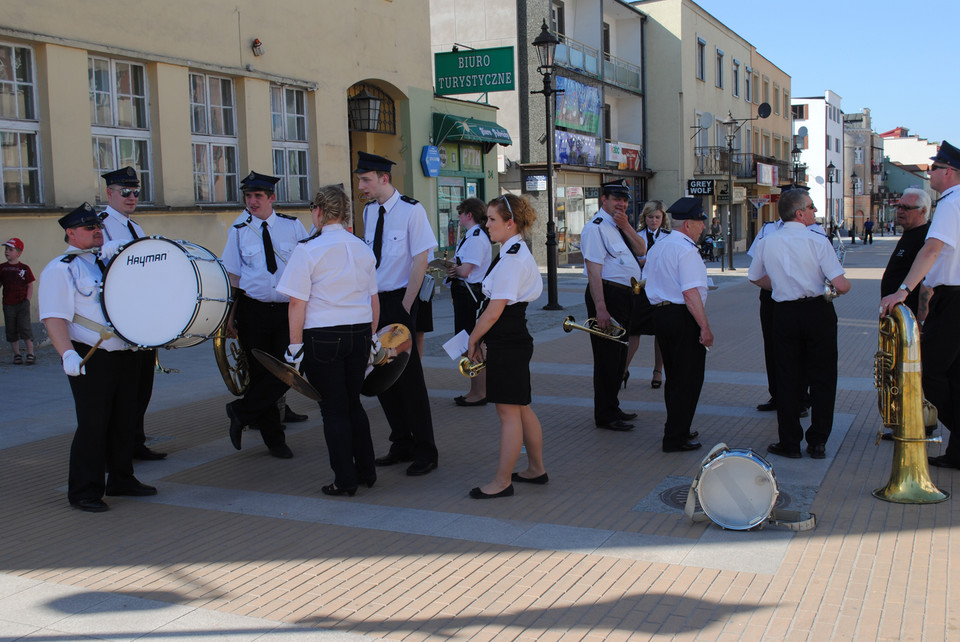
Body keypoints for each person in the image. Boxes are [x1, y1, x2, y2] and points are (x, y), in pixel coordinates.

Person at [38, 203, 156, 512]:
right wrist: (66, 354)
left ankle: (122, 479)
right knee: (93, 424)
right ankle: (84, 491)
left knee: (124, 419)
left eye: (98, 227)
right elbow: (54, 317)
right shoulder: (61, 269)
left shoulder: (107, 262)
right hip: (91, 357)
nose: (97, 232)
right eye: (89, 228)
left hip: (125, 353)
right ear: (71, 233)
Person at [278, 185, 379, 496]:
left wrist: (294, 348)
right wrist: (373, 338)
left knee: (333, 410)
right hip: (360, 332)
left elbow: (297, 303)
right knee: (352, 405)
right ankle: (366, 472)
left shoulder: (308, 250)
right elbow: (374, 299)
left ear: (318, 212)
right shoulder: (362, 247)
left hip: (324, 335)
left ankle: (344, 480)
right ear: (344, 213)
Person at [749, 189, 850, 460]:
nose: (815, 212)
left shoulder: (768, 240)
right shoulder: (817, 240)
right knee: (823, 377)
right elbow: (842, 285)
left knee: (787, 378)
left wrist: (782, 285)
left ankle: (790, 443)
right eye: (812, 207)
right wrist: (834, 287)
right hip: (818, 312)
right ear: (799, 213)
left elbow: (755, 277)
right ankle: (818, 441)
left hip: (784, 313)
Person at [355, 151, 439, 476]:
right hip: (374, 303)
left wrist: (406, 306)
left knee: (409, 378)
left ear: (383, 178)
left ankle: (426, 450)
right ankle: (401, 442)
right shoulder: (369, 211)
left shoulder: (411, 211)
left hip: (400, 301)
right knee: (380, 374)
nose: (361, 185)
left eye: (366, 179)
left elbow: (421, 261)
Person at [880, 141, 960, 469]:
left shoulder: (952, 203)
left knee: (930, 373)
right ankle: (957, 454)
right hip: (950, 297)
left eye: (935, 168)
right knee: (954, 376)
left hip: (955, 299)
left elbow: (932, 250)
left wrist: (903, 290)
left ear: (951, 172)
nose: (931, 172)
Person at [221, 171, 307, 459]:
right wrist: (229, 316)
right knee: (259, 375)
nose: (252, 201)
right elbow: (233, 277)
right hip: (253, 309)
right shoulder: (238, 229)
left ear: (272, 198)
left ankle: (241, 410)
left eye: (258, 196)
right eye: (248, 196)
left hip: (287, 310)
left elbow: (308, 268)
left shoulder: (292, 227)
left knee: (288, 370)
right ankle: (275, 440)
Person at [467, 194, 546, 498]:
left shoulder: (512, 258)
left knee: (508, 412)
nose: (486, 225)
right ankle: (536, 469)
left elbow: (494, 310)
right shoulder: (511, 251)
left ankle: (502, 482)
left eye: (491, 220)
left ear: (510, 223)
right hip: (511, 337)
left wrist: (474, 339)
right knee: (521, 407)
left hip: (507, 339)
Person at [97, 167, 167, 461]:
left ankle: (135, 440)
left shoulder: (136, 228)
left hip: (141, 316)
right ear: (109, 193)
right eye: (125, 192)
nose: (131, 197)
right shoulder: (100, 225)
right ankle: (118, 446)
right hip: (117, 314)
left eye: (136, 192)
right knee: (121, 389)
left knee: (142, 384)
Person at [644, 197, 712, 453]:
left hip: (662, 315)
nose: (703, 228)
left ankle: (677, 427)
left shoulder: (660, 245)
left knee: (674, 377)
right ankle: (675, 436)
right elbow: (690, 293)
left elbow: (645, 279)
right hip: (683, 317)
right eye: (700, 223)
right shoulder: (685, 249)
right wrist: (705, 327)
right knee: (689, 379)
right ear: (688, 225)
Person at [579, 179, 646, 431]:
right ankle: (605, 415)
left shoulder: (618, 226)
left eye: (625, 200)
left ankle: (613, 405)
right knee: (607, 358)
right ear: (603, 200)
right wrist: (601, 309)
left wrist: (627, 226)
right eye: (616, 199)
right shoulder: (595, 228)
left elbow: (642, 251)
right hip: (608, 296)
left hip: (626, 297)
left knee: (619, 357)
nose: (622, 204)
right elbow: (594, 273)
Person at [447, 197, 492, 406]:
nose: (459, 217)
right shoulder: (472, 235)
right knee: (469, 343)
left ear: (469, 215)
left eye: (461, 213)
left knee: (473, 344)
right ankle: (475, 390)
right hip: (466, 294)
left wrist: (452, 268)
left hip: (470, 295)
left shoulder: (475, 237)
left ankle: (479, 392)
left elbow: (465, 271)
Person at [625, 200, 669, 389]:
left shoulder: (669, 236)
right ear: (645, 218)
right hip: (641, 290)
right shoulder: (637, 235)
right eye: (650, 217)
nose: (654, 221)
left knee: (661, 331)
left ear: (663, 218)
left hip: (661, 289)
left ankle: (657, 371)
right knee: (634, 331)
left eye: (657, 217)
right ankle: (623, 369)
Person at [880, 189, 933, 319]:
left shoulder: (926, 237)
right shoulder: (910, 232)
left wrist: (921, 321)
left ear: (923, 210)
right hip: (897, 315)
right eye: (899, 206)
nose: (900, 211)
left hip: (911, 318)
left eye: (906, 208)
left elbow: (928, 282)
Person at [1, 237, 36, 364]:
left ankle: (30, 353)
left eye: (10, 249)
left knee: (25, 328)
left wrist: (27, 300)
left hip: (22, 303)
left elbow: (30, 284)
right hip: (8, 304)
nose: (6, 252)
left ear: (19, 253)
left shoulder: (24, 268)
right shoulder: (2, 268)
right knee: (11, 329)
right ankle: (17, 354)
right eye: (6, 249)